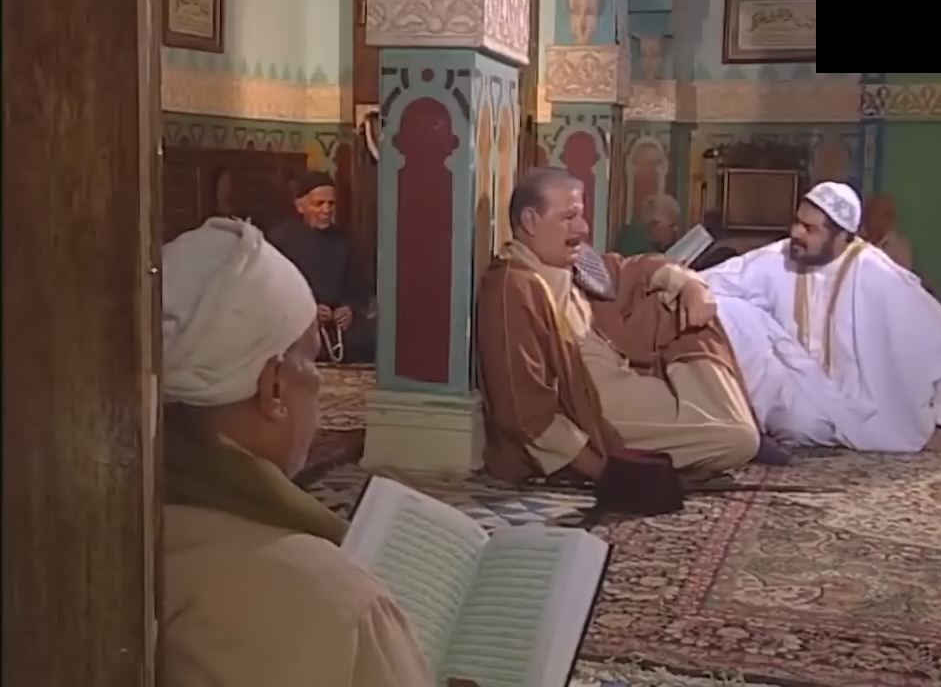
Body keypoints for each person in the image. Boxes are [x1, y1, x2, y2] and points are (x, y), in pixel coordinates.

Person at [161, 217, 440, 687]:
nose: (318, 385)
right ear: (274, 388)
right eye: (310, 361)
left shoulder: (92, 534)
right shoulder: (333, 599)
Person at [475, 168, 763, 485]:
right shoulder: (513, 287)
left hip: (628, 378)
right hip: (591, 408)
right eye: (569, 217)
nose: (582, 228)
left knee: (676, 298)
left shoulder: (574, 262)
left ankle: (729, 426)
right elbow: (521, 408)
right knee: (738, 439)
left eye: (581, 216)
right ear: (530, 222)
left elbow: (638, 268)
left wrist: (693, 287)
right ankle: (724, 435)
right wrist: (602, 470)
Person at [703, 182, 941, 453]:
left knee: (802, 426)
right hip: (796, 387)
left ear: (841, 237)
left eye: (810, 229)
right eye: (797, 222)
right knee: (726, 308)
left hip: (859, 408)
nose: (796, 233)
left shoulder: (880, 276)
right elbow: (713, 280)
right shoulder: (780, 256)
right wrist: (686, 285)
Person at [269, 171, 375, 364]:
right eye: (318, 204)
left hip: (336, 328)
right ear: (300, 206)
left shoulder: (344, 241)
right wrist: (308, 310)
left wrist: (349, 308)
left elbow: (358, 288)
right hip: (296, 324)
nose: (326, 210)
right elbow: (272, 292)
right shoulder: (280, 241)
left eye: (330, 203)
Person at [613, 193, 681, 256]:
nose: (676, 229)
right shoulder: (634, 242)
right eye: (672, 224)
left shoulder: (658, 245)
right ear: (655, 223)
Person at [860, 192, 913, 270]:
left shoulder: (899, 247)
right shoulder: (852, 239)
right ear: (868, 215)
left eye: (890, 215)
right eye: (884, 215)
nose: (890, 220)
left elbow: (902, 276)